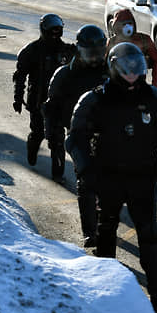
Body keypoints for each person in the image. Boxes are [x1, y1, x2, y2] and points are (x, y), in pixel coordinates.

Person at [65, 42, 157, 313]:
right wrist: (87, 172)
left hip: (143, 177)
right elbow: (75, 139)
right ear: (114, 68)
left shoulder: (153, 96)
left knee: (150, 235)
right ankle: (108, 293)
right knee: (106, 234)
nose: (132, 75)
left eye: (136, 68)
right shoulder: (95, 99)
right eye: (126, 69)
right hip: (109, 178)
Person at [43, 25, 109, 245]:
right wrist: (52, 134)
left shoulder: (111, 70)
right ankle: (90, 231)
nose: (94, 58)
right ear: (80, 50)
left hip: (108, 133)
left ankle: (103, 214)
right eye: (90, 53)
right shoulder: (65, 74)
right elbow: (50, 108)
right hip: (78, 134)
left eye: (99, 52)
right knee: (86, 179)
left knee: (108, 180)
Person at [13, 13, 76, 167]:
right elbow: (20, 75)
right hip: (38, 101)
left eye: (57, 29)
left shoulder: (68, 51)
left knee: (58, 140)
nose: (55, 33)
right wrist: (18, 97)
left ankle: (58, 173)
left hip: (59, 103)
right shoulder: (31, 50)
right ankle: (32, 148)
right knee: (38, 133)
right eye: (51, 29)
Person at [107, 8, 157, 88]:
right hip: (117, 86)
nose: (128, 27)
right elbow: (103, 65)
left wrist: (155, 85)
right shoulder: (112, 42)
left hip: (139, 85)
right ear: (117, 26)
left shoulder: (144, 39)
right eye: (124, 24)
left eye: (130, 23)